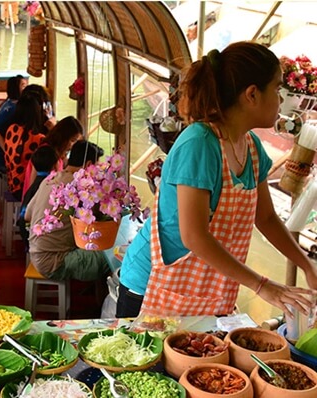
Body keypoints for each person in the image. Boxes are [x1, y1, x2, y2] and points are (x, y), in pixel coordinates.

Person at [115, 41, 317, 319]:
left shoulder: (252, 148)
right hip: (152, 285)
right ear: (252, 95)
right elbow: (194, 236)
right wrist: (263, 286)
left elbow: (267, 218)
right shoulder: (199, 144)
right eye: (277, 89)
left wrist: (306, 265)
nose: (281, 101)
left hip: (205, 290)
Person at [25, 140, 108, 284]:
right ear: (89, 165)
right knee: (110, 258)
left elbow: (28, 215)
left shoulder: (50, 179)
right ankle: (101, 304)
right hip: (56, 262)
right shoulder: (81, 188)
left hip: (36, 254)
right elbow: (96, 218)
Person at [2, 85, 55, 198]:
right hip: (26, 190)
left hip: (13, 185)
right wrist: (53, 128)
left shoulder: (12, 129)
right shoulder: (39, 138)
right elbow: (56, 157)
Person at [22, 115, 84, 199]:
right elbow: (33, 183)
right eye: (72, 140)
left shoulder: (57, 153)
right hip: (37, 199)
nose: (73, 145)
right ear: (64, 137)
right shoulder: (46, 153)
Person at [17, 145, 59, 247]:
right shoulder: (49, 187)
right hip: (34, 237)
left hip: (25, 231)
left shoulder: (33, 187)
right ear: (55, 165)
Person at [0, 75, 27, 172]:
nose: (27, 89)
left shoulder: (7, 103)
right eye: (23, 86)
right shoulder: (14, 109)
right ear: (16, 89)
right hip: (0, 159)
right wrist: (9, 155)